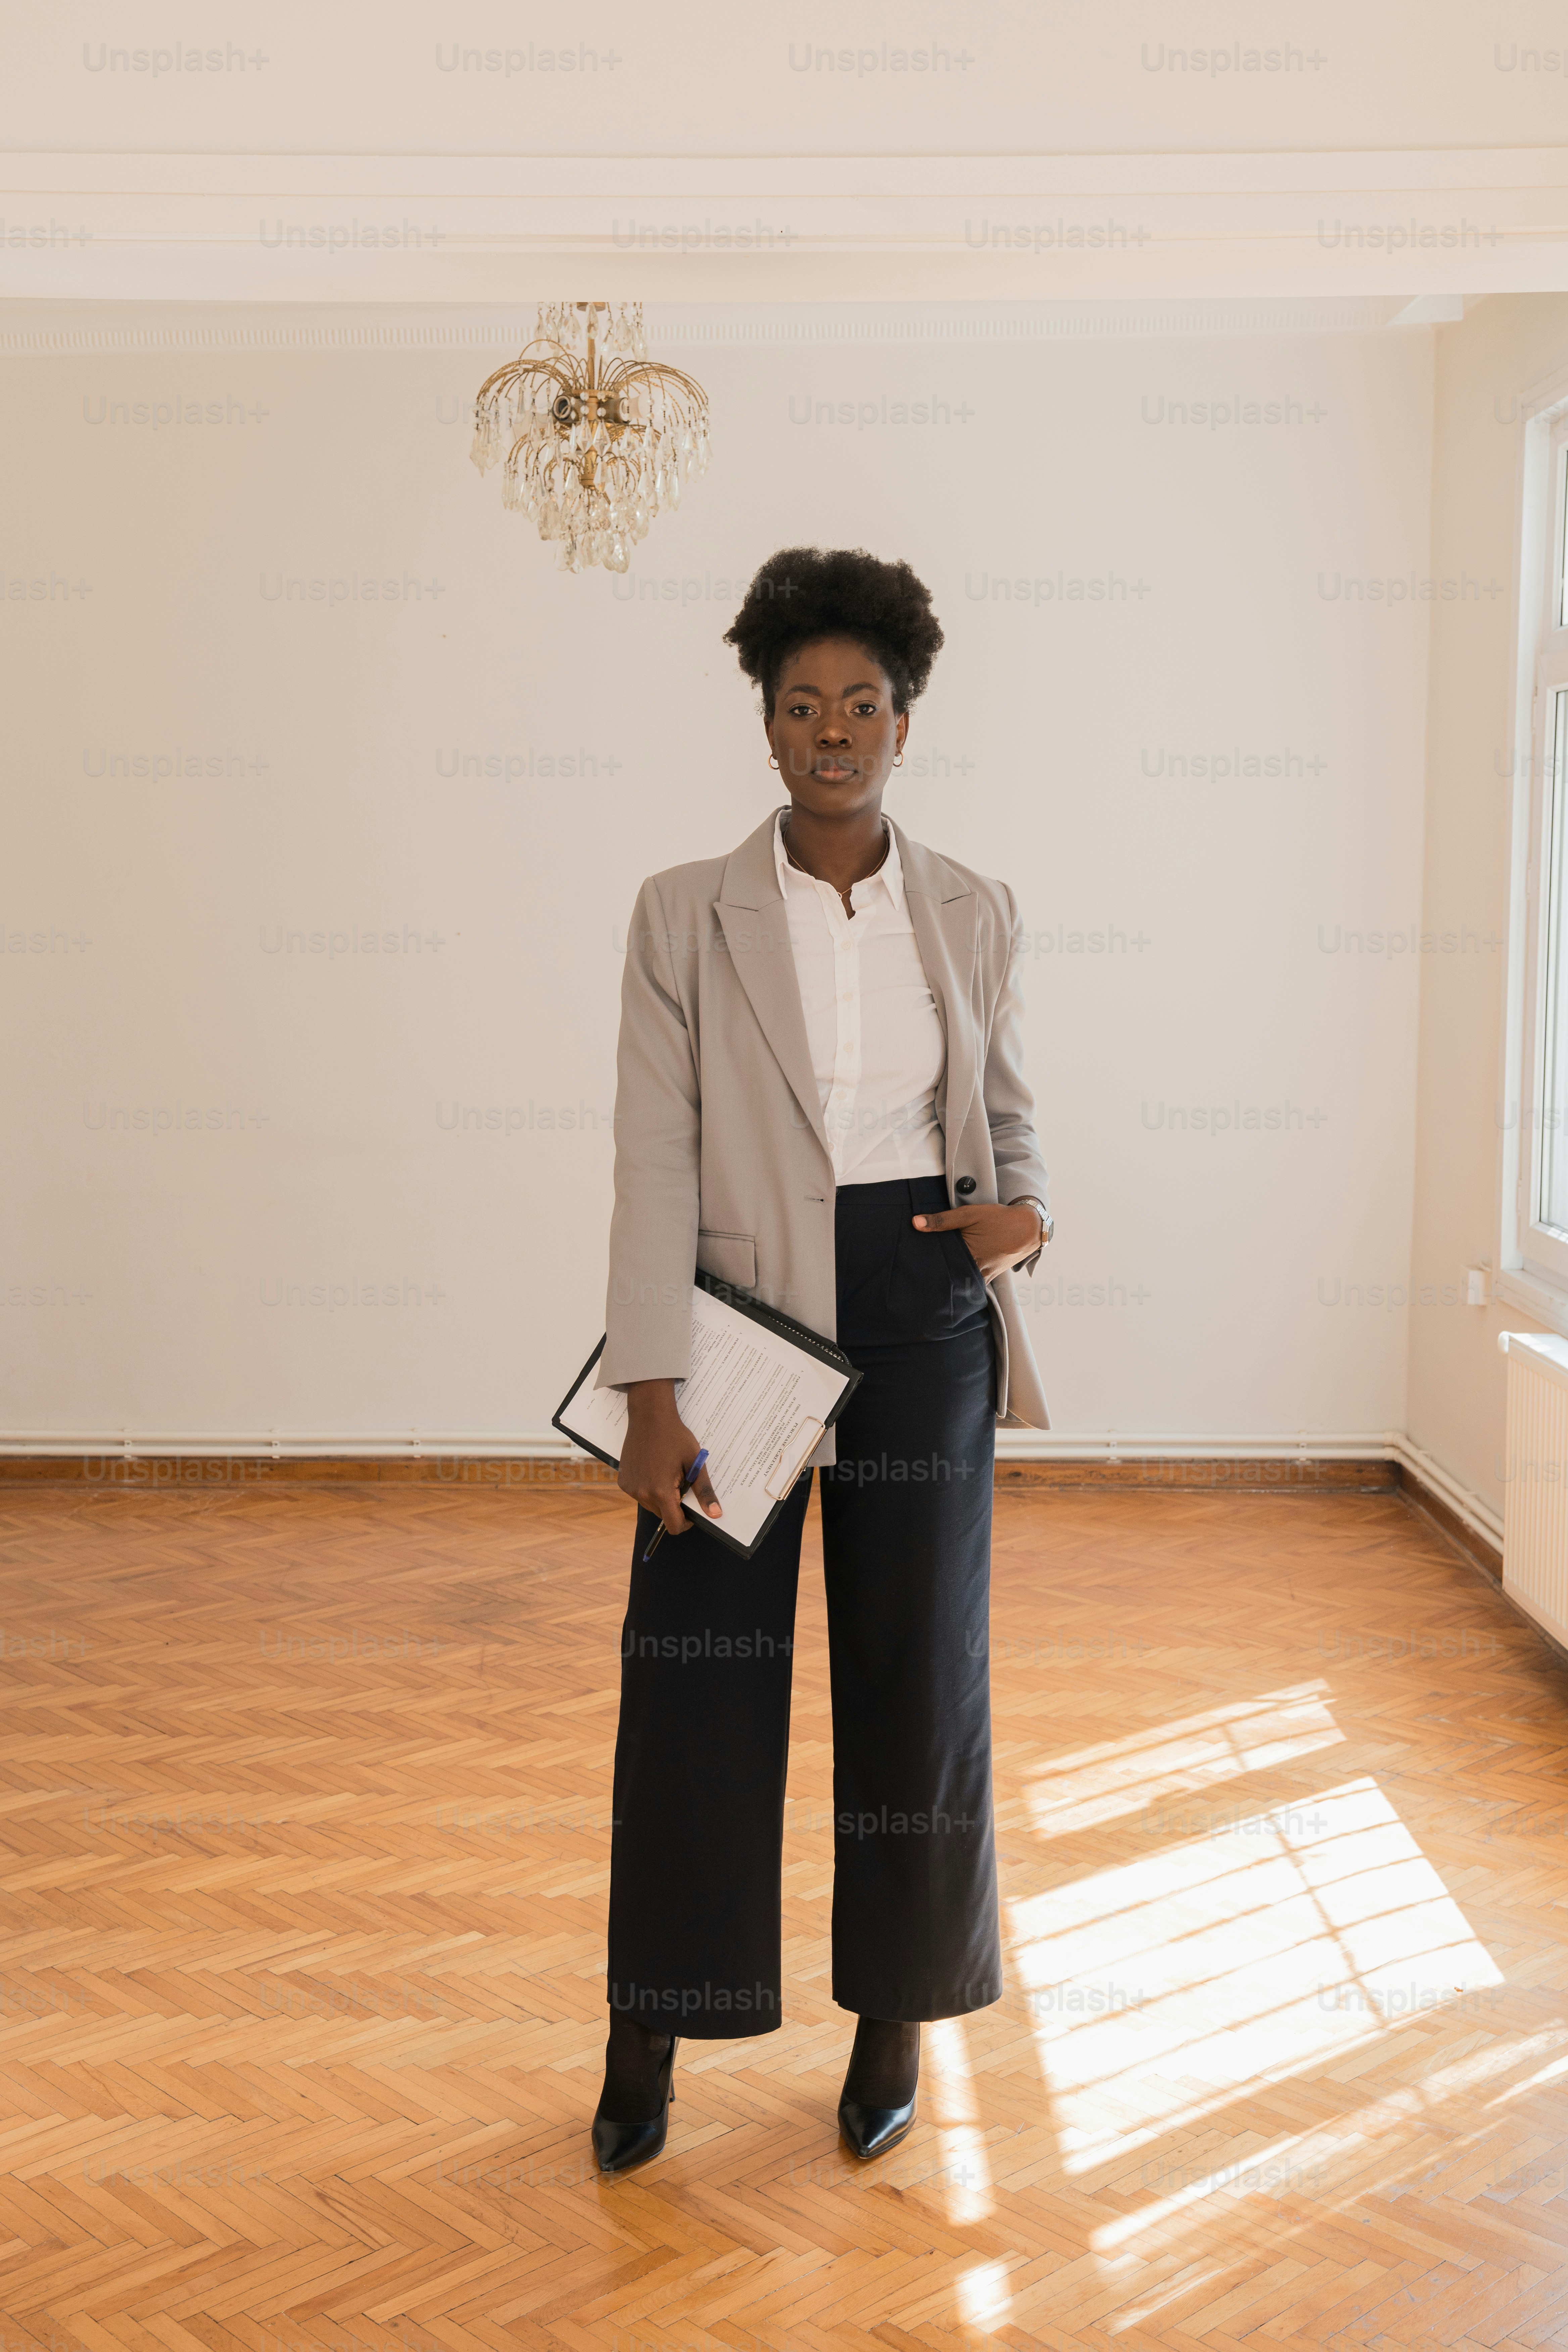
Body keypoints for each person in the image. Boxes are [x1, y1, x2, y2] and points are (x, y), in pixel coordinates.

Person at [590, 546, 1052, 2174]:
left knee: (919, 1681)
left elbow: (1001, 1109)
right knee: (697, 1684)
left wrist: (1026, 1215)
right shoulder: (682, 916)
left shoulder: (974, 909)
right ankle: (652, 2020)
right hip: (735, 1330)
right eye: (804, 705)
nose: (833, 729)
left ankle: (893, 2011)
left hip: (923, 1316)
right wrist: (651, 1391)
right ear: (767, 726)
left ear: (905, 723)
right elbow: (655, 1152)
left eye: (863, 702)